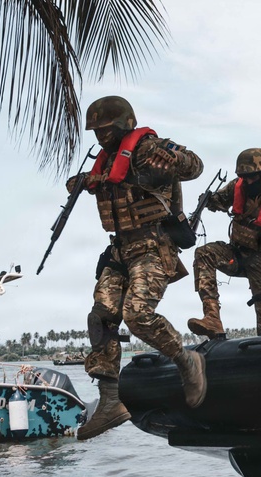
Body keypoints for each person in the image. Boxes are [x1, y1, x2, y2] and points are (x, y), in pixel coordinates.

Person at [70, 96, 207, 441]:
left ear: (123, 125)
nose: (101, 136)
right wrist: (82, 182)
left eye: (106, 129)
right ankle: (111, 400)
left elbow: (194, 165)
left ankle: (186, 360)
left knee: (137, 314)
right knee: (101, 315)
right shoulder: (108, 161)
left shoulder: (147, 148)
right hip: (120, 248)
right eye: (96, 131)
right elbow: (90, 182)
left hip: (153, 244)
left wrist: (173, 158)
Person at [186, 148, 261, 337]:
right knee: (205, 253)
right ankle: (212, 317)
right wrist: (208, 201)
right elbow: (219, 201)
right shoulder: (237, 186)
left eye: (252, 177)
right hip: (237, 254)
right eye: (244, 177)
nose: (248, 181)